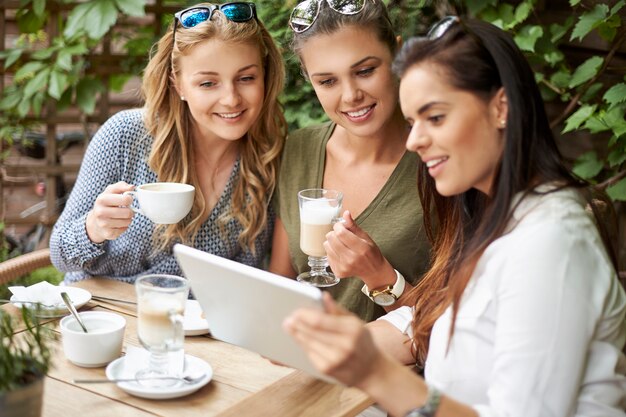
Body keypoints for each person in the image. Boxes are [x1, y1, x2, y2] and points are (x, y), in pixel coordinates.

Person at [284, 16, 626, 417]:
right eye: (412, 122)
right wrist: (316, 345)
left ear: (501, 107)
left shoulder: (551, 242)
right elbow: (427, 321)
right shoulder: (495, 220)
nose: (415, 140)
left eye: (436, 117)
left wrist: (376, 372)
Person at [50, 3, 286, 283]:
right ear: (178, 84)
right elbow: (60, 255)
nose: (231, 99)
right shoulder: (126, 135)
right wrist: (94, 228)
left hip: (198, 325)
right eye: (208, 83)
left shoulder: (271, 157)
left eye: (246, 78)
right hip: (102, 314)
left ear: (265, 75)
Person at [269, 0, 431, 322]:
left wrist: (382, 276)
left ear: (397, 55)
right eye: (327, 81)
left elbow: (455, 331)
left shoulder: (437, 159)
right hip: (302, 362)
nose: (350, 95)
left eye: (365, 71)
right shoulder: (299, 150)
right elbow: (280, 286)